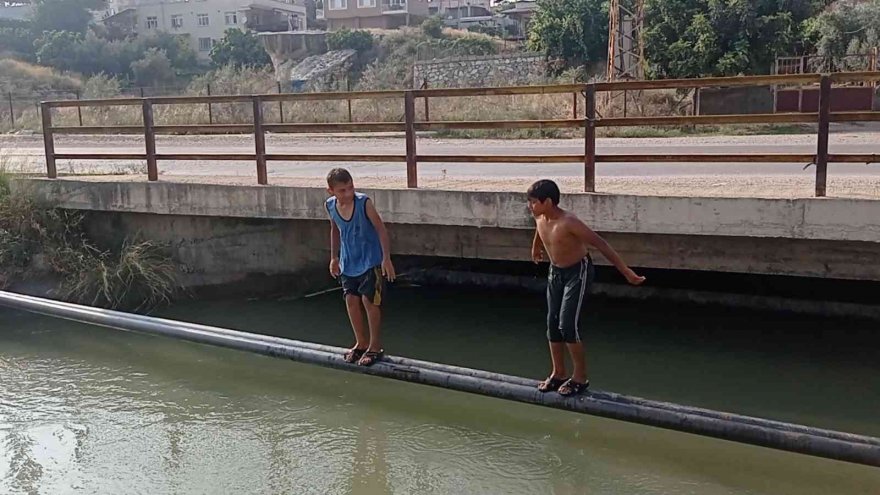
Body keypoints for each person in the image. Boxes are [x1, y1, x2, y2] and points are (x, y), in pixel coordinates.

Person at [527, 179, 645, 396]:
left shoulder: (569, 222)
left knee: (568, 325)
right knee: (552, 324)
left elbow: (601, 244)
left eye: (534, 202)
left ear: (549, 201)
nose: (530, 206)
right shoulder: (539, 216)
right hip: (556, 272)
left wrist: (626, 272)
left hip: (577, 272)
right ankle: (558, 372)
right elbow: (539, 230)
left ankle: (580, 377)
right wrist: (536, 248)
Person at [326, 168, 396, 367]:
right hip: (349, 261)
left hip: (369, 260)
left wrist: (386, 258)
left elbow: (381, 228)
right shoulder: (330, 206)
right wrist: (334, 258)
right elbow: (334, 230)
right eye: (342, 191)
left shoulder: (364, 203)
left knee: (369, 300)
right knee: (350, 299)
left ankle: (374, 346)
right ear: (331, 191)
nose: (348, 194)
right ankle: (361, 342)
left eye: (350, 188)